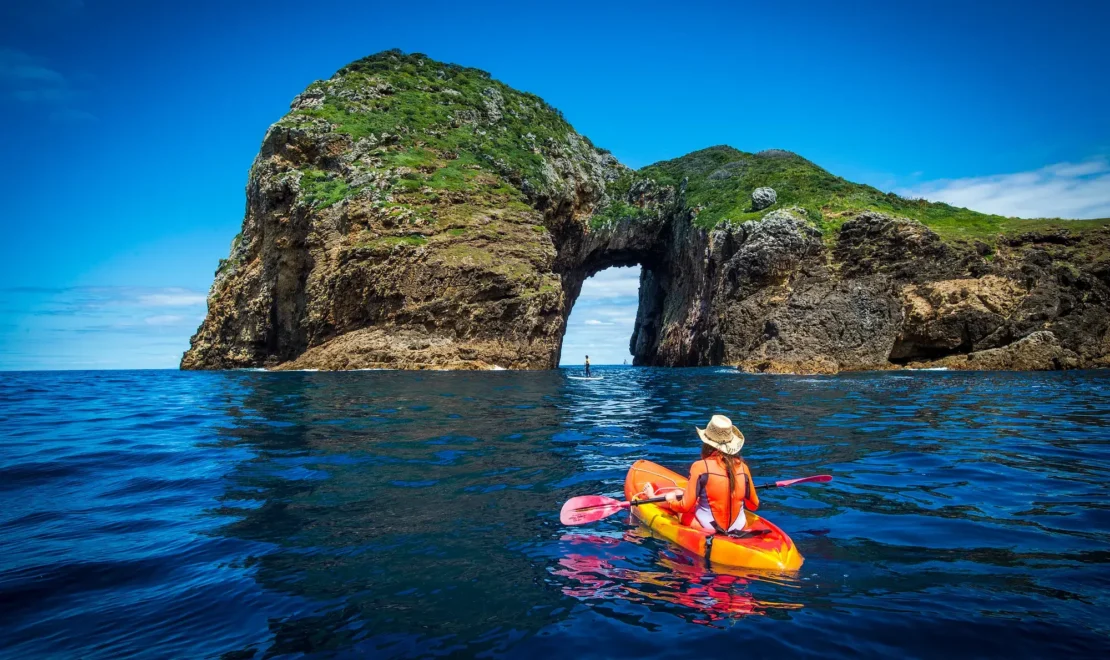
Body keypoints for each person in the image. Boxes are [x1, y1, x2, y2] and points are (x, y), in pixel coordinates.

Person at [644, 414, 758, 534]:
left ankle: (652, 497)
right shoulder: (743, 467)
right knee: (681, 494)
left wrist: (670, 501)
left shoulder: (700, 467)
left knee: (676, 495)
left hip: (709, 528)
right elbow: (753, 505)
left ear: (707, 444)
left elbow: (684, 507)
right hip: (739, 526)